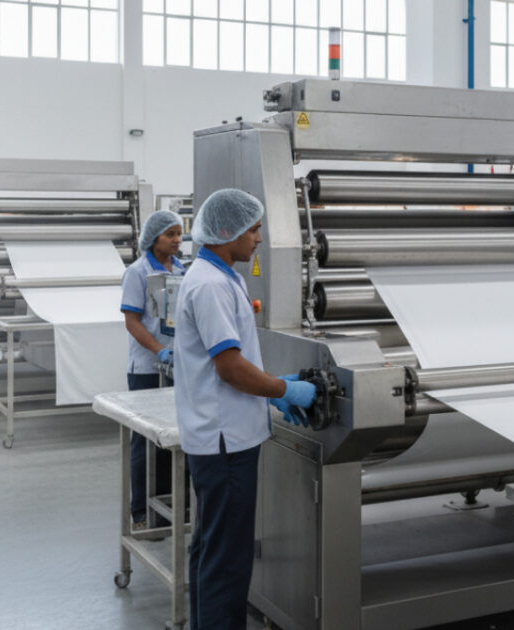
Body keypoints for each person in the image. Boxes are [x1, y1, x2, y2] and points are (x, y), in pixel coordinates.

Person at [173, 189, 317, 630]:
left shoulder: (221, 276)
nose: (259, 238)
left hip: (220, 435)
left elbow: (236, 358)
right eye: (253, 229)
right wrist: (284, 390)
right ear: (226, 231)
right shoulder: (212, 285)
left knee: (211, 548)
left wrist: (272, 388)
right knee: (228, 561)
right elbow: (231, 368)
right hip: (226, 441)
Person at [120, 210, 185, 530]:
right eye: (170, 234)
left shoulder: (183, 270)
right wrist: (159, 350)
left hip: (177, 367)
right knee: (145, 441)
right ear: (153, 237)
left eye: (179, 234)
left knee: (174, 438)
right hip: (147, 366)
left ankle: (172, 507)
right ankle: (142, 513)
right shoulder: (138, 272)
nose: (176, 240)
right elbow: (132, 322)